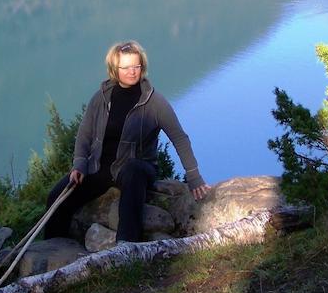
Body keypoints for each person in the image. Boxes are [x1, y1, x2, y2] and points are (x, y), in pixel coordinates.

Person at [44, 40, 210, 242]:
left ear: (142, 66)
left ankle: (126, 248)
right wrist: (79, 163)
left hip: (138, 167)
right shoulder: (102, 97)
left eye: (136, 66)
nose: (132, 71)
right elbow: (85, 133)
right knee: (56, 198)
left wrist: (193, 176)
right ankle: (52, 248)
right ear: (114, 69)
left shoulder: (154, 101)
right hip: (100, 167)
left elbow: (179, 138)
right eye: (126, 67)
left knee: (132, 173)